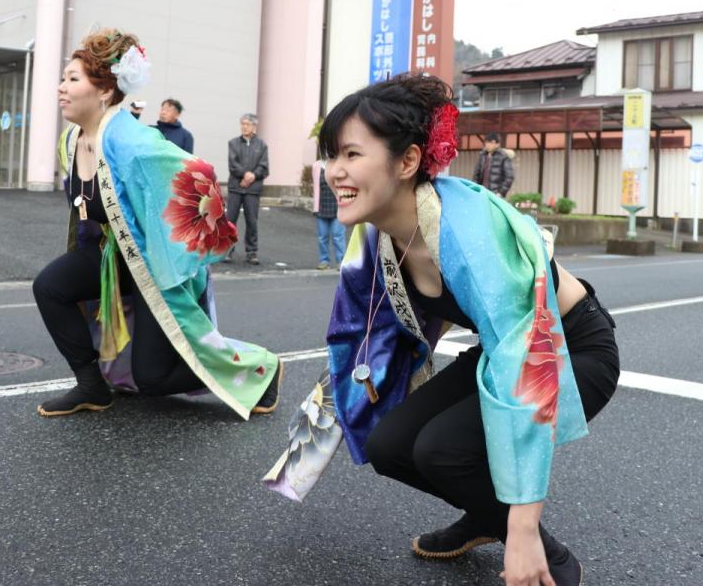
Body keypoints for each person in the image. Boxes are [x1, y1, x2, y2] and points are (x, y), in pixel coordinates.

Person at [264, 75, 619, 586]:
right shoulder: (375, 233)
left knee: (440, 450)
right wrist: (311, 440)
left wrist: (522, 528)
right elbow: (357, 337)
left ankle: (549, 556)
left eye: (351, 154)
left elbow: (527, 364)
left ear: (407, 162)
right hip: (501, 348)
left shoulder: (468, 231)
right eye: (330, 155)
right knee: (390, 445)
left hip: (569, 349)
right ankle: (485, 511)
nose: (334, 171)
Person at [34, 29, 282, 417]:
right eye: (63, 78)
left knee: (151, 380)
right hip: (108, 256)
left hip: (147, 264)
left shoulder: (131, 142)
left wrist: (199, 233)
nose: (61, 88)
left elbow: (195, 171)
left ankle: (259, 368)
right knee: (50, 286)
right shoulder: (71, 139)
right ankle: (91, 386)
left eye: (72, 79)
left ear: (103, 91)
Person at [225, 113, 268, 265]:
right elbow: (233, 164)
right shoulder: (233, 143)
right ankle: (226, 250)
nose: (244, 126)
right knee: (230, 220)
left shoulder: (262, 145)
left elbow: (264, 167)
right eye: (242, 123)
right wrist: (244, 175)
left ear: (254, 126)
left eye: (247, 124)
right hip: (236, 188)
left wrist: (252, 176)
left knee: (252, 221)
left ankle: (251, 252)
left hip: (253, 190)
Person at [312, 159, 345, 270]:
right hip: (322, 206)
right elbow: (316, 188)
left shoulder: (338, 163)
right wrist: (315, 207)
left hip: (338, 206)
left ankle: (341, 261)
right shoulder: (316, 166)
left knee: (337, 236)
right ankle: (324, 261)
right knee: (322, 237)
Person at [473, 132, 514, 197]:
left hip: (496, 194)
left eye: (491, 142)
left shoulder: (503, 156)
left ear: (497, 144)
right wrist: (475, 189)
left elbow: (509, 177)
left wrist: (501, 192)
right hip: (482, 192)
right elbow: (476, 175)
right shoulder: (482, 156)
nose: (487, 145)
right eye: (487, 142)